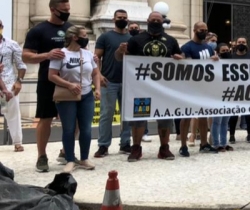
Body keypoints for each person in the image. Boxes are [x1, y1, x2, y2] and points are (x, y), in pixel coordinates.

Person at [119, 11, 184, 161]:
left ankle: (164, 148)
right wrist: (120, 51)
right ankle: (136, 148)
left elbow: (181, 58)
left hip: (164, 87)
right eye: (153, 20)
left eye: (158, 20)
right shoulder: (136, 40)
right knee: (139, 118)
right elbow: (122, 58)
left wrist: (180, 58)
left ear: (162, 22)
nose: (155, 22)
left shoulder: (171, 40)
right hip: (141, 87)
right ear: (147, 21)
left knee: (165, 117)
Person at [23, 0, 72, 172]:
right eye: (64, 11)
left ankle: (66, 152)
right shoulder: (38, 30)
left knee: (74, 119)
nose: (67, 13)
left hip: (70, 81)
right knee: (45, 119)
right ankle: (42, 156)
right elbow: (26, 55)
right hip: (47, 80)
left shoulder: (71, 29)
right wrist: (47, 55)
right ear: (53, 9)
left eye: (68, 10)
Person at [48, 26, 101, 173]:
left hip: (86, 95)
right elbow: (52, 75)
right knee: (69, 129)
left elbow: (96, 73)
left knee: (86, 129)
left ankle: (84, 158)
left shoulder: (88, 54)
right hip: (67, 96)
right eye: (84, 35)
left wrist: (97, 89)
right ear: (75, 37)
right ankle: (69, 159)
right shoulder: (61, 54)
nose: (86, 37)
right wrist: (69, 85)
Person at [94, 10, 132, 158]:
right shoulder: (105, 37)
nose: (122, 20)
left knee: (127, 115)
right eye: (119, 18)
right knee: (106, 114)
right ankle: (103, 145)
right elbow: (96, 58)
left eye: (124, 18)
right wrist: (99, 75)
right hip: (108, 81)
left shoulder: (131, 38)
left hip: (127, 82)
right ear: (113, 19)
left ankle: (125, 143)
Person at [179, 21, 219, 156]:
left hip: (205, 86)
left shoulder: (208, 48)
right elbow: (186, 65)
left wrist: (215, 60)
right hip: (190, 87)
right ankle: (183, 145)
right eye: (201, 30)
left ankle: (204, 143)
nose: (204, 32)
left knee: (203, 115)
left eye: (206, 30)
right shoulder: (187, 47)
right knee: (187, 116)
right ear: (194, 30)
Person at [227, 36, 250, 143]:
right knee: (233, 114)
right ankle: (232, 134)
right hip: (234, 88)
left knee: (249, 114)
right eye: (239, 42)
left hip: (248, 89)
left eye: (243, 42)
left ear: (247, 43)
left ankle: (249, 134)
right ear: (236, 44)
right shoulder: (230, 57)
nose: (241, 43)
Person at [0, 19, 26, 152]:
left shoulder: (11, 44)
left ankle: (17, 142)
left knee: (13, 113)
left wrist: (19, 81)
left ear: (2, 27)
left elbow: (21, 65)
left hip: (9, 84)